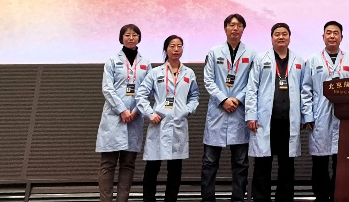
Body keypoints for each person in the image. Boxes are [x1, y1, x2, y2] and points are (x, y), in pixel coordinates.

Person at [300, 21, 349, 202]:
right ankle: (321, 197)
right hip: (320, 116)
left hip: (344, 117)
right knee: (320, 161)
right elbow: (306, 90)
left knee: (341, 161)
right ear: (323, 37)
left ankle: (337, 196)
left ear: (341, 37)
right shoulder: (313, 60)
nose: (332, 36)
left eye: (336, 33)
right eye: (328, 33)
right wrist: (308, 116)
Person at [246, 23, 305, 202]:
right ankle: (260, 198)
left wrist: (305, 116)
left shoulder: (299, 60)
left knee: (287, 164)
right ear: (271, 38)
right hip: (266, 121)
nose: (281, 37)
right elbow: (252, 88)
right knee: (263, 163)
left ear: (289, 37)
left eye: (284, 34)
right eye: (277, 34)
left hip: (289, 120)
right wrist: (251, 115)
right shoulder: (260, 58)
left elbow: (305, 90)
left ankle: (284, 199)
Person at [137, 35, 200, 202]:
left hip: (178, 124)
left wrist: (187, 110)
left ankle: (171, 200)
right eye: (172, 46)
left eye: (179, 46)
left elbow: (194, 96)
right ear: (166, 49)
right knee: (152, 167)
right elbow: (141, 95)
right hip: (159, 124)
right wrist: (150, 114)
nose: (176, 49)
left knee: (175, 169)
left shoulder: (188, 73)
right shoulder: (155, 72)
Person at [201, 14, 257, 202]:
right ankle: (207, 199)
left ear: (243, 29)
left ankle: (238, 198)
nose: (235, 28)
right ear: (225, 28)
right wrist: (224, 99)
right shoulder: (214, 52)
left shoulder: (251, 54)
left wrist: (238, 99)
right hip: (218, 111)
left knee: (240, 162)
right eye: (232, 25)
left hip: (239, 111)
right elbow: (208, 80)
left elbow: (253, 82)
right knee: (209, 161)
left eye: (239, 25)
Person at [96, 24, 151, 202]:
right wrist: (122, 110)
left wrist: (135, 111)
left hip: (134, 118)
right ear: (121, 38)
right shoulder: (112, 61)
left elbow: (148, 90)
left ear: (139, 38)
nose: (131, 38)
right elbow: (107, 88)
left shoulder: (146, 63)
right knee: (108, 164)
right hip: (114, 118)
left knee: (128, 164)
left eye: (135, 35)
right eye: (127, 35)